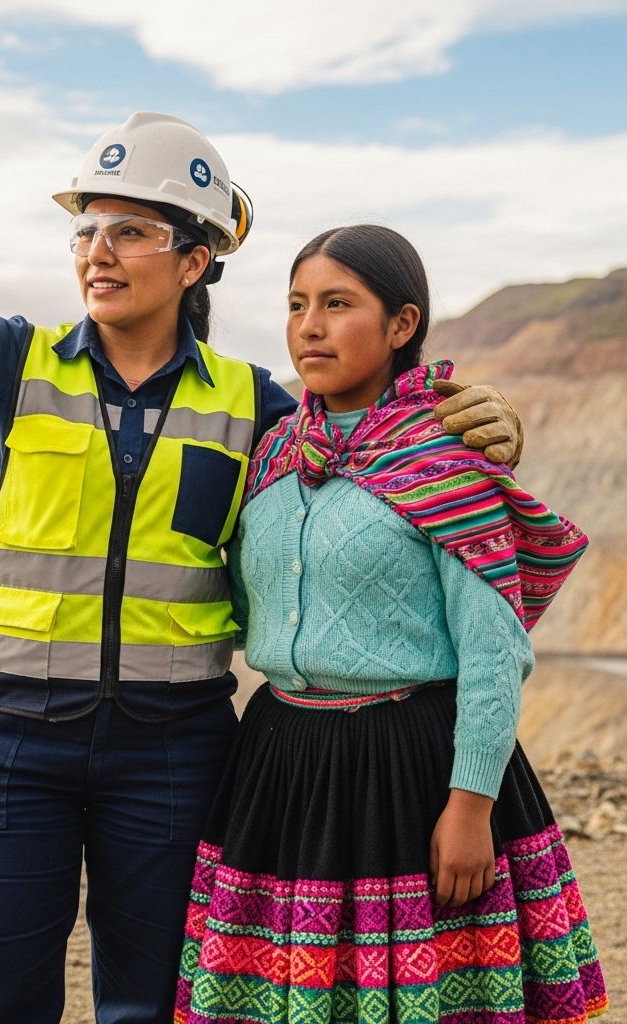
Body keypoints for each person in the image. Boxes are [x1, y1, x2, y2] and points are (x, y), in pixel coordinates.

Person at [0, 115, 523, 1024]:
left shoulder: (258, 409)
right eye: (86, 230)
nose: (97, 253)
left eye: (131, 232)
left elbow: (379, 449)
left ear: (195, 261)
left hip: (174, 749)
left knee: (150, 1009)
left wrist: (482, 418)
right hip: (6, 740)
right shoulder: (10, 367)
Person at [174, 224, 607, 1024]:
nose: (310, 326)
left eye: (339, 305)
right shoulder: (271, 456)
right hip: (280, 762)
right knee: (283, 1001)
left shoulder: (447, 464)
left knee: (421, 1001)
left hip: (410, 768)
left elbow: (492, 651)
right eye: (298, 304)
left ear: (402, 325)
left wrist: (471, 804)